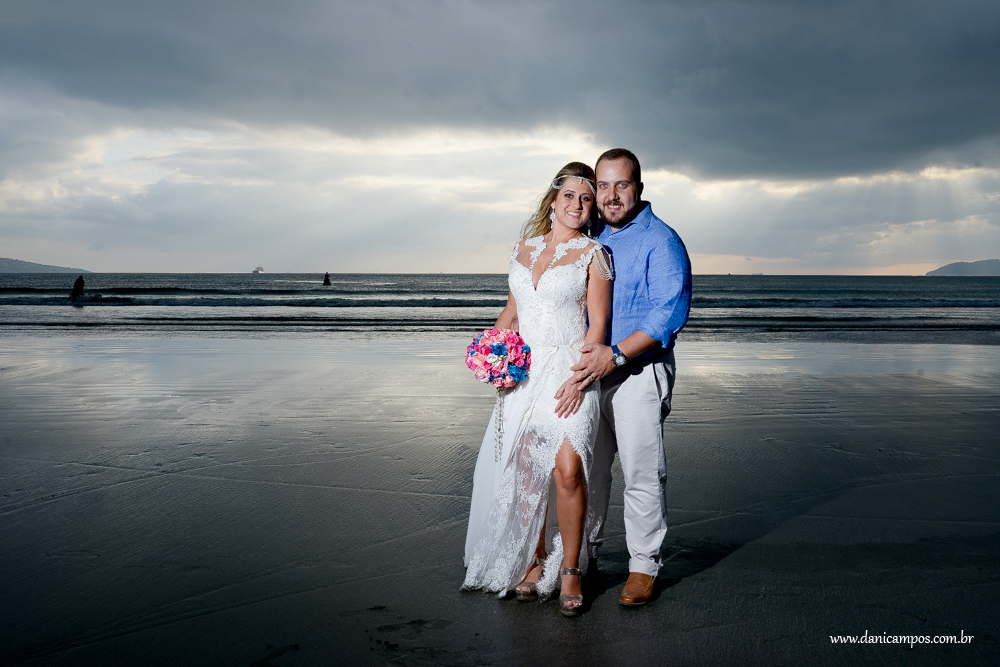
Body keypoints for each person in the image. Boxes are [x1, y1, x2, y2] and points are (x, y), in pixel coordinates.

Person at [463, 162, 613, 617]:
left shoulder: (594, 255)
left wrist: (580, 378)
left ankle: (569, 568)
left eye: (586, 199)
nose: (577, 205)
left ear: (592, 211)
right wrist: (491, 352)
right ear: (553, 201)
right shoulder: (522, 249)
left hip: (567, 371)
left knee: (567, 469)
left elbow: (599, 326)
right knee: (527, 468)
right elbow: (513, 310)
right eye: (570, 196)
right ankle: (531, 561)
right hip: (524, 373)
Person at [570, 148, 692, 606]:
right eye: (603, 185)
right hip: (589, 373)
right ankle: (584, 557)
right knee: (589, 470)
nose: (611, 195)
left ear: (638, 188)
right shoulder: (592, 235)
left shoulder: (661, 241)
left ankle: (643, 567)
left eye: (622, 184)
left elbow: (669, 314)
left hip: (638, 371)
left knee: (642, 473)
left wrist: (616, 355)